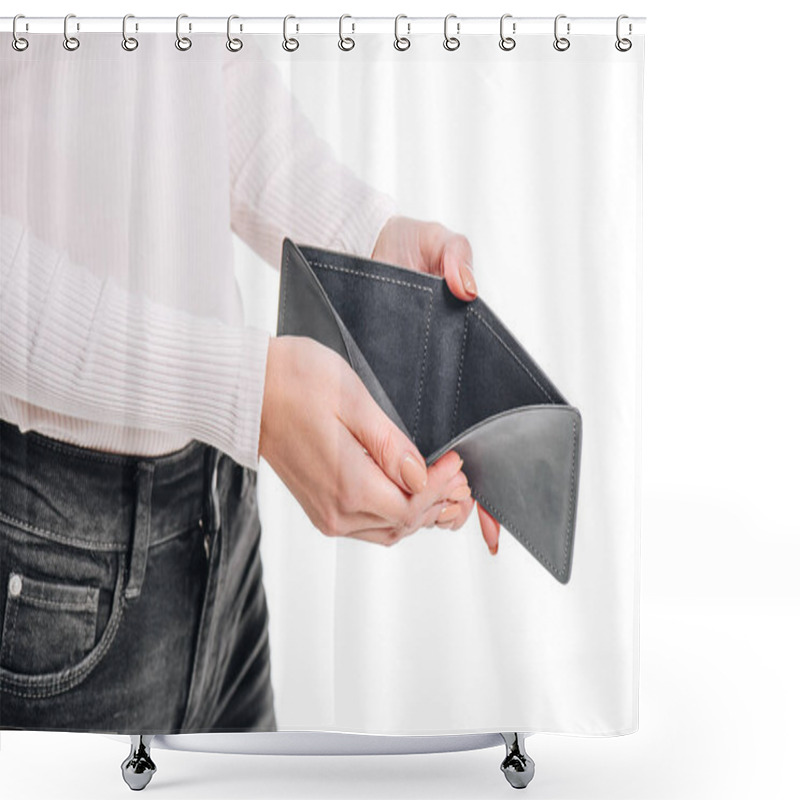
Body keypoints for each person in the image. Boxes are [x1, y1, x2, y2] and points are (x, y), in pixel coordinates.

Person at [0, 33, 499, 734]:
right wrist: (248, 393)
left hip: (216, 509)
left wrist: (367, 238)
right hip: (46, 552)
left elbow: (196, 75)